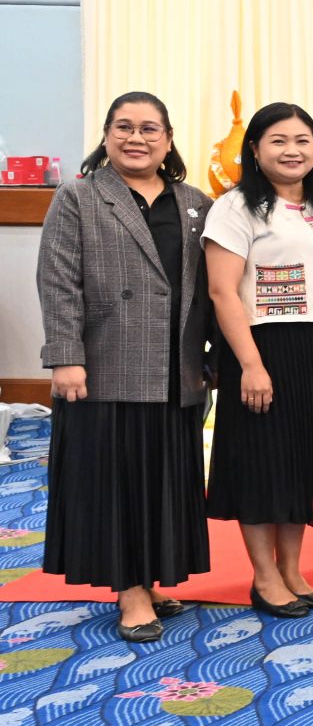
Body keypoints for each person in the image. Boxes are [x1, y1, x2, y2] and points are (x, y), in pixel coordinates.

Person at [37, 93, 212, 642]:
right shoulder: (79, 196)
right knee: (117, 485)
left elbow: (211, 288)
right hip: (106, 365)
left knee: (162, 481)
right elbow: (58, 280)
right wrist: (65, 356)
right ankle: (130, 590)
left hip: (176, 368)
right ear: (107, 135)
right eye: (124, 127)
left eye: (149, 129)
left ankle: (152, 578)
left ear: (168, 138)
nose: (136, 138)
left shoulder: (196, 202)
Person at [203, 102, 313, 619]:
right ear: (255, 149)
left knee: (303, 461)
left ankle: (291, 570)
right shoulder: (235, 207)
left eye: (302, 140)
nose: (292, 151)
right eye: (279, 140)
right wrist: (250, 364)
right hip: (262, 346)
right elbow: (222, 292)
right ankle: (264, 576)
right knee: (262, 462)